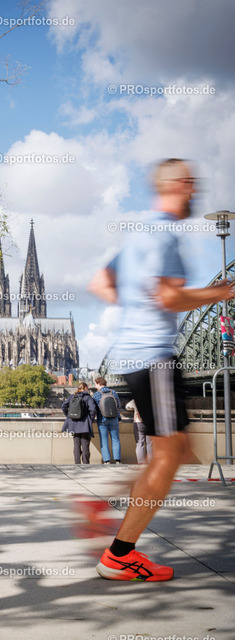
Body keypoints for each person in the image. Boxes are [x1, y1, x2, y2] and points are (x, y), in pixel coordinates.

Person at [88, 158, 235, 581]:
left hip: (136, 357)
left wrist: (135, 308)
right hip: (154, 356)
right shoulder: (165, 234)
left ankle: (105, 508)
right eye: (189, 181)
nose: (195, 189)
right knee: (170, 457)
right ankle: (119, 554)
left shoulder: (139, 234)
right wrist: (220, 293)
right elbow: (170, 298)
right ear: (173, 186)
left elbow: (100, 283)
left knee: (174, 453)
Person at [62, 382, 96, 464]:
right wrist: (90, 420)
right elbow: (93, 410)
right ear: (86, 388)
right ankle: (86, 464)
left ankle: (77, 463)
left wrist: (69, 416)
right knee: (85, 445)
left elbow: (63, 406)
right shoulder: (88, 397)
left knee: (76, 445)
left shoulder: (73, 396)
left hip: (74, 424)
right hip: (85, 425)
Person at [93, 377, 121, 464]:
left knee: (104, 440)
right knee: (115, 439)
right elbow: (118, 405)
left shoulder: (96, 394)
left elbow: (94, 408)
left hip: (102, 420)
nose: (95, 386)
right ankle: (117, 460)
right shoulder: (113, 392)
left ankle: (107, 461)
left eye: (95, 384)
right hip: (114, 418)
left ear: (99, 384)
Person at [126, 399, 153, 464]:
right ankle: (150, 461)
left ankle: (141, 462)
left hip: (139, 422)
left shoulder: (137, 399)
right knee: (150, 443)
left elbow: (127, 407)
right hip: (150, 423)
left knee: (140, 443)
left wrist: (134, 409)